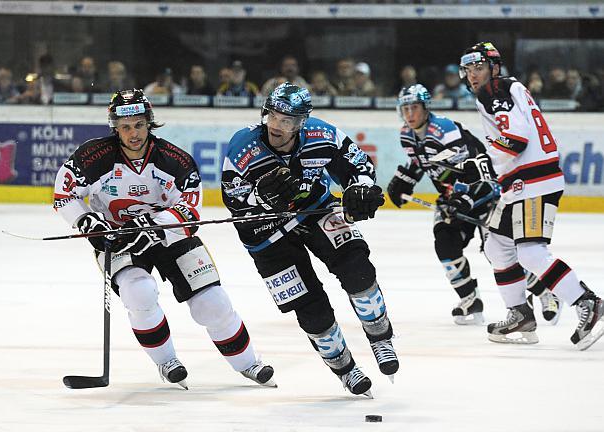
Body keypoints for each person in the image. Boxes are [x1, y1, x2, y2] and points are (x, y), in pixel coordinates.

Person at [52, 89, 275, 388]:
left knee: (212, 302)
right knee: (139, 293)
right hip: (119, 239)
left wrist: (154, 226)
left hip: (169, 236)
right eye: (126, 126)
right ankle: (166, 361)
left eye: (140, 124)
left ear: (149, 123)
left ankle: (249, 363)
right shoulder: (92, 157)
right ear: (115, 127)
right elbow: (64, 195)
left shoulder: (175, 161)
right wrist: (88, 222)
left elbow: (190, 211)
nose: (133, 133)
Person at [221, 82, 397, 397]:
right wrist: (260, 198)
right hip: (264, 235)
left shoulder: (322, 135)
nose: (277, 126)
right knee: (310, 307)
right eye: (273, 116)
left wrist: (361, 186)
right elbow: (232, 198)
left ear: (301, 123)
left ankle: (380, 338)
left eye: (287, 121)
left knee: (357, 266)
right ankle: (345, 369)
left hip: (315, 211)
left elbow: (358, 166)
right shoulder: (242, 147)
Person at [457, 42, 603, 349]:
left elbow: (517, 139)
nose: (472, 75)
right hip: (520, 183)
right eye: (468, 69)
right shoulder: (506, 88)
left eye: (479, 67)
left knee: (531, 253)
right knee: (497, 246)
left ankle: (588, 303)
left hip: (534, 182)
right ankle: (521, 314)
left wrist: (480, 163)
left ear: (494, 67)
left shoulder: (494, 91)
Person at [387, 84, 561, 326]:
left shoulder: (444, 130)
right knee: (445, 243)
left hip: (484, 193)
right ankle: (470, 299)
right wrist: (402, 181)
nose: (410, 114)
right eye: (405, 109)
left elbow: (469, 168)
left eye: (414, 107)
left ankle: (545, 293)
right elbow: (419, 161)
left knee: (500, 255)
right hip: (453, 198)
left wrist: (462, 198)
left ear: (426, 108)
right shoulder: (406, 133)